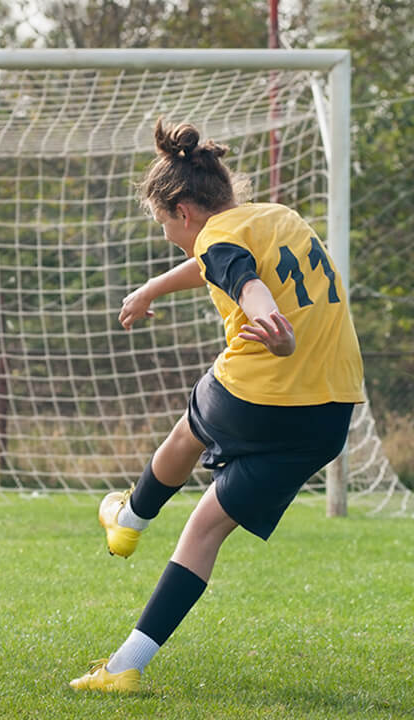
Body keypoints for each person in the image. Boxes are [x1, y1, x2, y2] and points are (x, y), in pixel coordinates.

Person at [69, 120, 364, 692]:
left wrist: (269, 324)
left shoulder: (215, 238)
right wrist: (153, 287)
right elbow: (223, 261)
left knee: (186, 433)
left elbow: (240, 277)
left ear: (182, 209)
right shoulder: (280, 217)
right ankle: (125, 667)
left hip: (258, 392)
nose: (167, 237)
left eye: (163, 225)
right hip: (329, 415)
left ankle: (129, 518)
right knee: (205, 528)